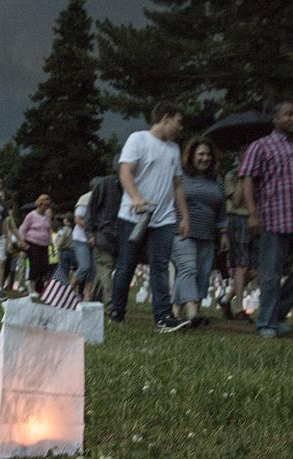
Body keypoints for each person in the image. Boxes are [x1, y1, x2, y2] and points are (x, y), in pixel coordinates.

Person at [240, 100, 293, 338]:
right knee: (271, 273)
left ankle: (276, 311)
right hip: (273, 217)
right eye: (287, 114)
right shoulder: (261, 146)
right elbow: (247, 178)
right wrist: (252, 213)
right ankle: (266, 323)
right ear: (275, 119)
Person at [110, 101, 191, 332]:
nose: (181, 127)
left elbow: (177, 185)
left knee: (160, 266)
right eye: (178, 121)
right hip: (133, 215)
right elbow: (125, 171)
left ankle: (163, 317)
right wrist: (136, 198)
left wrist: (184, 216)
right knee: (127, 264)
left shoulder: (174, 149)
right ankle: (116, 310)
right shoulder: (138, 139)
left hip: (164, 218)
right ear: (165, 118)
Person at [172, 137, 229, 326]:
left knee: (202, 274)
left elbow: (221, 210)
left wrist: (224, 233)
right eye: (201, 154)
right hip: (182, 230)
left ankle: (175, 311)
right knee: (188, 269)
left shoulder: (217, 181)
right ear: (191, 156)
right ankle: (192, 313)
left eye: (208, 155)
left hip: (208, 233)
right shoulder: (180, 177)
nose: (205, 158)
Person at [219, 164, 258, 322]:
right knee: (242, 265)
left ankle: (226, 299)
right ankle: (239, 307)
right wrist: (244, 177)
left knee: (256, 269)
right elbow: (236, 201)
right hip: (238, 219)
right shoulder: (232, 176)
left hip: (256, 219)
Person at [86, 173, 121, 310]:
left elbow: (91, 211)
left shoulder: (105, 185)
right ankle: (109, 302)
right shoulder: (111, 185)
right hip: (105, 235)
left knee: (104, 268)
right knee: (105, 267)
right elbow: (91, 211)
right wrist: (90, 233)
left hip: (108, 235)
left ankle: (95, 299)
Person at [20, 195, 53, 295]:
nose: (46, 207)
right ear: (40, 204)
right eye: (44, 205)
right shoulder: (31, 215)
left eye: (48, 205)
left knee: (44, 267)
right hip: (32, 243)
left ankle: (40, 288)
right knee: (35, 266)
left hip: (44, 245)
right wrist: (23, 243)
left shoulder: (47, 217)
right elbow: (23, 229)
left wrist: (50, 241)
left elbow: (48, 229)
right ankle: (31, 289)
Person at [72, 191, 95, 301]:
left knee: (93, 271)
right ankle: (70, 290)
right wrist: (90, 227)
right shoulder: (85, 199)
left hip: (95, 240)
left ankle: (87, 295)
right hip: (81, 238)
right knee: (85, 266)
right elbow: (77, 219)